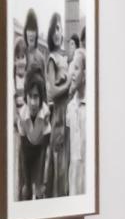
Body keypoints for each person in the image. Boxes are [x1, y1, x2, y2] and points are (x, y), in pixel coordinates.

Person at [44, 13, 71, 198]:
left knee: (66, 165)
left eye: (59, 28)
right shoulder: (52, 58)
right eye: (53, 28)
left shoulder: (64, 57)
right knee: (59, 166)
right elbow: (51, 92)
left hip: (68, 114)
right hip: (58, 117)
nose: (56, 32)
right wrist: (68, 83)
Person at [17, 71, 51, 201]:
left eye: (36, 97)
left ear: (41, 98)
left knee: (39, 189)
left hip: (39, 153)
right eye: (30, 96)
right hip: (26, 152)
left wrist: (40, 181)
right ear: (26, 96)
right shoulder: (23, 114)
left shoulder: (45, 113)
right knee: (25, 190)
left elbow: (44, 150)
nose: (32, 102)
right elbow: (24, 150)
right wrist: (26, 182)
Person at [67, 35, 86, 196]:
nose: (72, 72)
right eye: (72, 67)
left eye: (77, 68)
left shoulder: (89, 108)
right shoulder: (70, 107)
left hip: (87, 177)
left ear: (85, 73)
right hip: (73, 176)